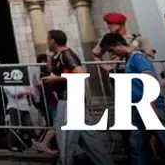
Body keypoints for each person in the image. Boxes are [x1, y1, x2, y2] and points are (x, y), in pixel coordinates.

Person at [98, 32, 165, 165]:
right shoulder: (129, 59)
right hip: (140, 107)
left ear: (119, 45)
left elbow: (149, 80)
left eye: (111, 50)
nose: (112, 54)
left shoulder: (137, 57)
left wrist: (151, 107)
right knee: (136, 144)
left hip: (148, 106)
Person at [41, 29, 114, 165]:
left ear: (53, 41)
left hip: (70, 101)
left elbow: (80, 74)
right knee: (91, 141)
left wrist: (56, 79)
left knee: (65, 141)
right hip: (72, 101)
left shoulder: (67, 54)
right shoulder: (58, 56)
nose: (46, 41)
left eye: (47, 39)